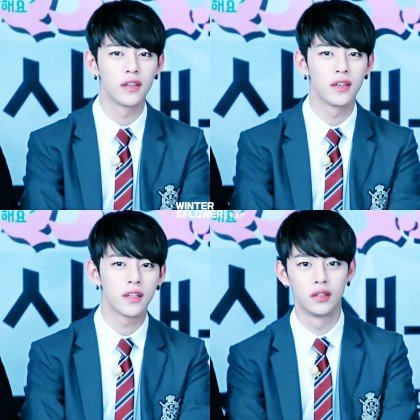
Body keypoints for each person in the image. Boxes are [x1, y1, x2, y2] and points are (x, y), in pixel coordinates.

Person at [230, 0, 420, 210]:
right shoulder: (259, 144)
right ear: (302, 63)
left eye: (354, 54)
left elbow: (404, 224)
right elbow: (255, 224)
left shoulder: (398, 144)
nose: (342, 67)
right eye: (327, 53)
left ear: (369, 63)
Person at [227, 211, 417, 419]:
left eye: (333, 263)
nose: (321, 277)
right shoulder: (249, 357)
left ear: (350, 269)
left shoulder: (388, 350)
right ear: (283, 273)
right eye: (305, 264)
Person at [21, 0, 209, 210]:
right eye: (117, 53)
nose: (132, 67)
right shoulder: (50, 144)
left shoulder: (188, 144)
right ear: (92, 62)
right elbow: (44, 225)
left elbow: (195, 225)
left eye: (144, 54)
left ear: (159, 63)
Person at [22, 211, 209, 419]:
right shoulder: (51, 354)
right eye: (119, 264)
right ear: (94, 272)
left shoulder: (189, 354)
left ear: (161, 274)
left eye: (146, 265)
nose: (135, 277)